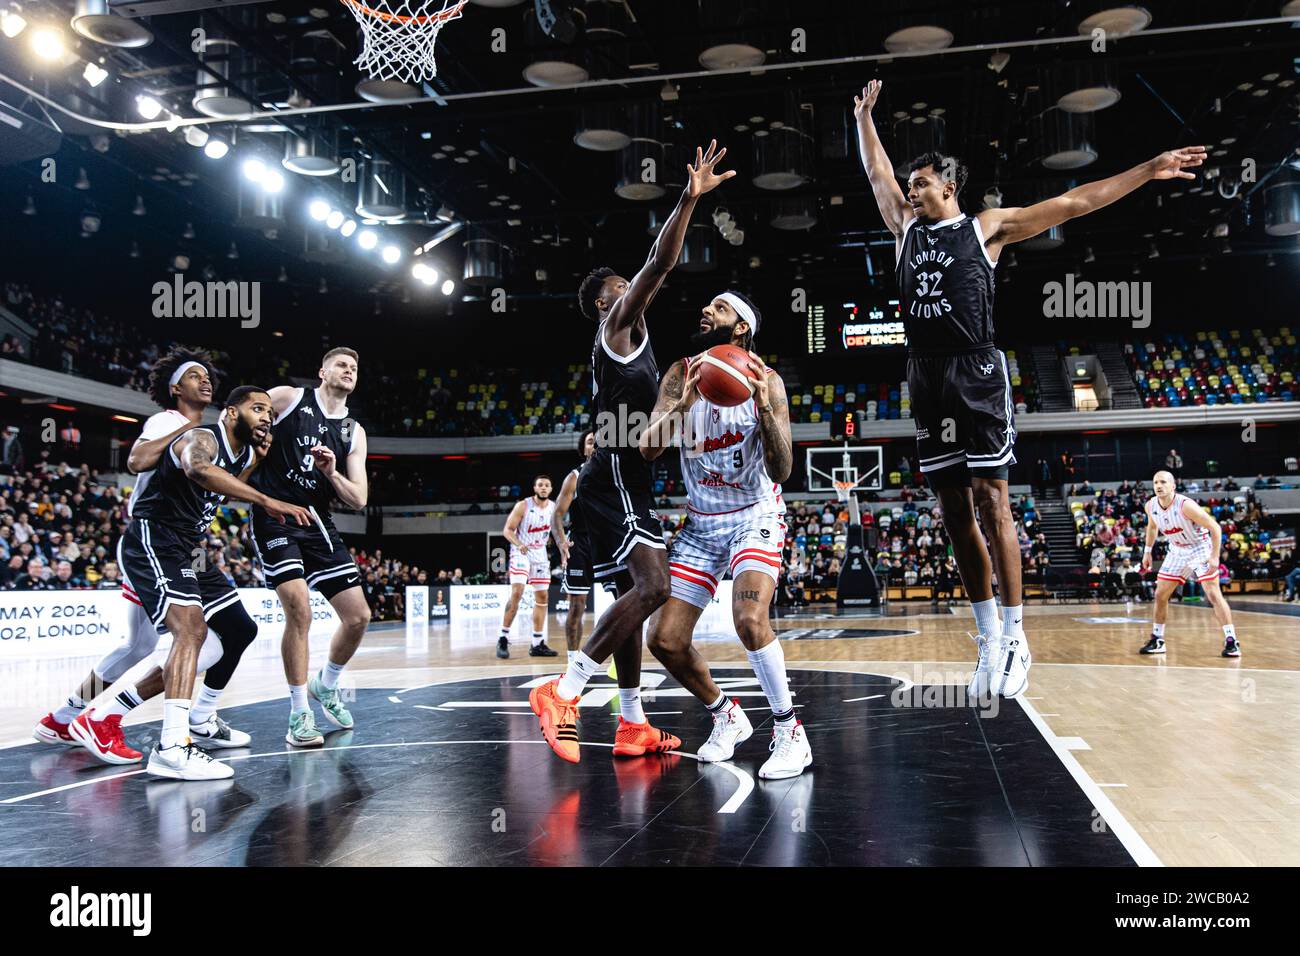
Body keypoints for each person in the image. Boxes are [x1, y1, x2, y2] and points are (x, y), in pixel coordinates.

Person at [853, 77, 1205, 698]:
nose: (911, 189)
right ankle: (988, 634)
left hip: (977, 371)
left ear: (949, 187)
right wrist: (864, 120)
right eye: (911, 185)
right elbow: (878, 174)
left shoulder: (987, 227)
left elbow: (1075, 201)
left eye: (923, 183)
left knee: (992, 498)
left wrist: (1149, 169)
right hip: (926, 374)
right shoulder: (905, 230)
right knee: (954, 511)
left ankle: (1016, 635)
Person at [530, 139, 734, 763]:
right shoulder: (615, 326)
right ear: (605, 302)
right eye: (623, 287)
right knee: (653, 587)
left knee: (631, 599)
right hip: (614, 472)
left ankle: (632, 722)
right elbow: (660, 263)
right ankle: (563, 690)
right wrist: (688, 200)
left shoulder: (637, 347)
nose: (635, 290)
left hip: (623, 473)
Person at [34, 349, 263, 761]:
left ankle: (63, 717)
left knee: (140, 646)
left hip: (184, 546)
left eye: (209, 376)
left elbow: (216, 490)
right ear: (176, 388)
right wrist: (183, 436)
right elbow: (137, 459)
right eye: (195, 376)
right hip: (155, 539)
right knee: (196, 639)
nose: (206, 381)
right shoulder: (170, 422)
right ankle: (113, 720)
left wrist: (248, 466)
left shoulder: (216, 437)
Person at [640, 290, 811, 778]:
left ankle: (789, 733)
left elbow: (781, 470)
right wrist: (683, 405)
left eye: (718, 307)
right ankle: (727, 716)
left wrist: (762, 411)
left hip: (754, 514)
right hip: (701, 524)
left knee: (749, 618)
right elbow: (648, 449)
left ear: (740, 328)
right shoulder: (681, 373)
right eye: (707, 304)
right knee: (666, 639)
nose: (705, 310)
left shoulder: (769, 382)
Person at [115, 388, 307, 779]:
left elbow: (224, 482)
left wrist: (256, 466)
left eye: (270, 412)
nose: (267, 417)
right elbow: (198, 468)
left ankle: (193, 719)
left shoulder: (244, 455)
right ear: (231, 412)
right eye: (258, 409)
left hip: (186, 548)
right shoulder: (204, 436)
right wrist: (266, 500)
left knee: (234, 629)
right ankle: (158, 740)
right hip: (155, 537)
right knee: (164, 638)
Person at [249, 347, 372, 748]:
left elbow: (358, 499)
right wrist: (255, 450)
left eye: (354, 368)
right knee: (299, 610)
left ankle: (327, 685)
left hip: (316, 520)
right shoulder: (288, 398)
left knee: (358, 616)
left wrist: (332, 472)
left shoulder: (353, 431)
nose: (349, 370)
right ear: (322, 371)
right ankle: (299, 713)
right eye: (341, 364)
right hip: (275, 515)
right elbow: (244, 415)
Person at [1139, 471, 1242, 658]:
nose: (1159, 486)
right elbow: (1152, 527)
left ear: (1173, 486)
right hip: (1177, 550)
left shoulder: (1186, 506)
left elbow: (1215, 528)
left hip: (1199, 548)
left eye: (1163, 482)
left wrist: (1214, 556)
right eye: (1155, 482)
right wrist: (1147, 552)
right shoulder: (1151, 505)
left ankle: (1231, 641)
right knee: (1161, 594)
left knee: (1212, 593)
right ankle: (1157, 639)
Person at [496, 474, 558, 658]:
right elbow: (507, 530)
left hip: (539, 553)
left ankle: (537, 643)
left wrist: (563, 547)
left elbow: (556, 530)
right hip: (520, 550)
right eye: (540, 485)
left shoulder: (554, 508)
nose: (544, 488)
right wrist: (518, 544)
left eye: (547, 485)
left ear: (551, 489)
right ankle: (503, 638)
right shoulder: (523, 505)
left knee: (542, 597)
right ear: (535, 488)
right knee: (517, 593)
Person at [552, 430, 596, 654]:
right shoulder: (574, 477)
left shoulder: (615, 474)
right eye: (590, 442)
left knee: (624, 601)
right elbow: (557, 514)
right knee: (577, 605)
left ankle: (621, 661)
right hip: (580, 543)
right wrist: (561, 542)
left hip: (608, 544)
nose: (595, 445)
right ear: (583, 449)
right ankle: (572, 661)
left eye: (599, 442)